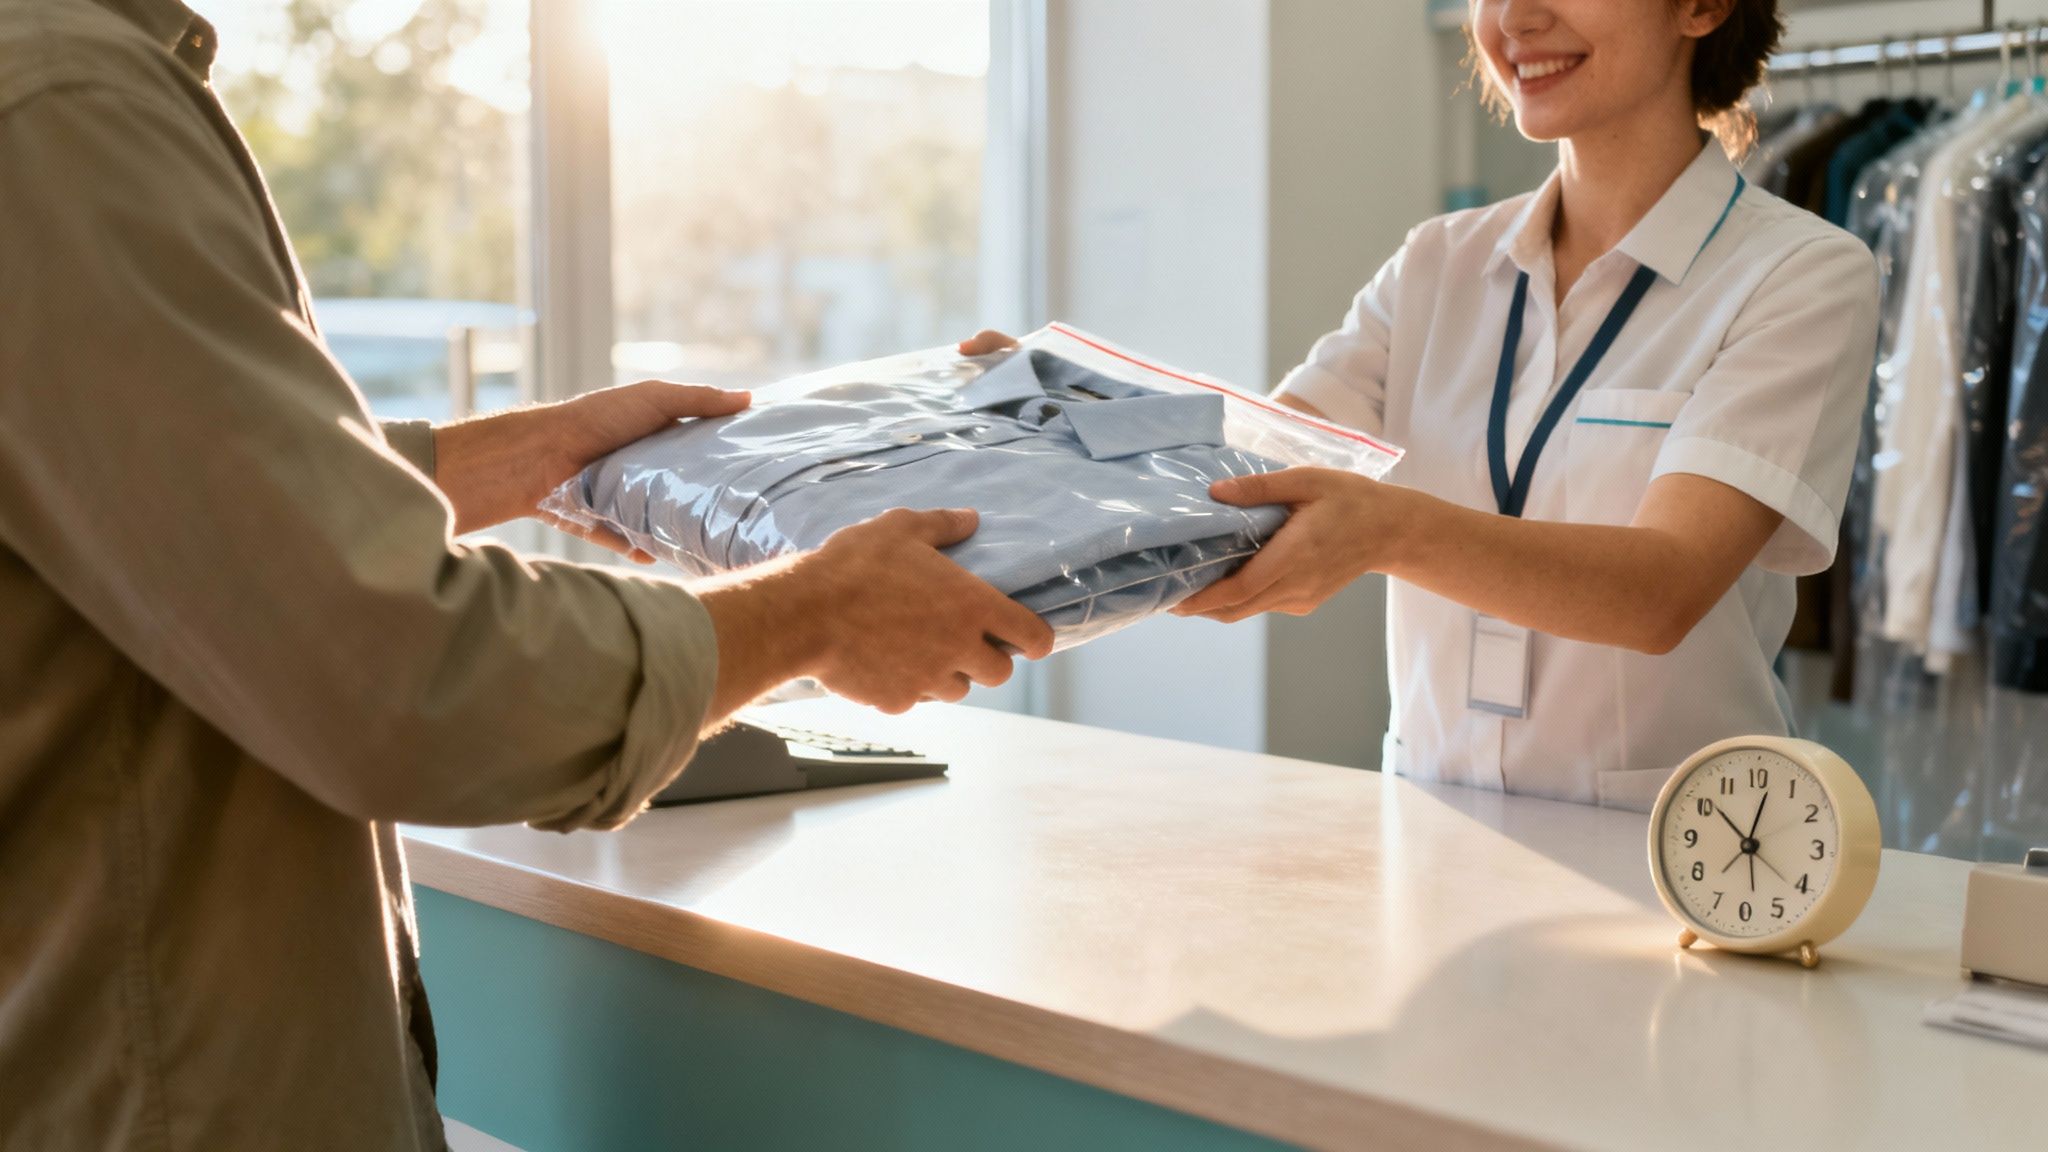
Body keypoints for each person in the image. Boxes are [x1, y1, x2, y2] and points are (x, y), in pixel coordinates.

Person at [0, 1, 1052, 1147]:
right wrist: (812, 616)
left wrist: (518, 455)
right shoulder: (59, 104)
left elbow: (151, 494)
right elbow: (402, 678)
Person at [976, 0, 1878, 810]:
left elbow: (1662, 592)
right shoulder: (1437, 263)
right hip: (1430, 828)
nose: (1513, 18)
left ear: (1703, 7)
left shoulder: (1798, 274)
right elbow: (1251, 459)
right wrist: (1055, 408)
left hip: (1678, 852)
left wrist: (1390, 531)